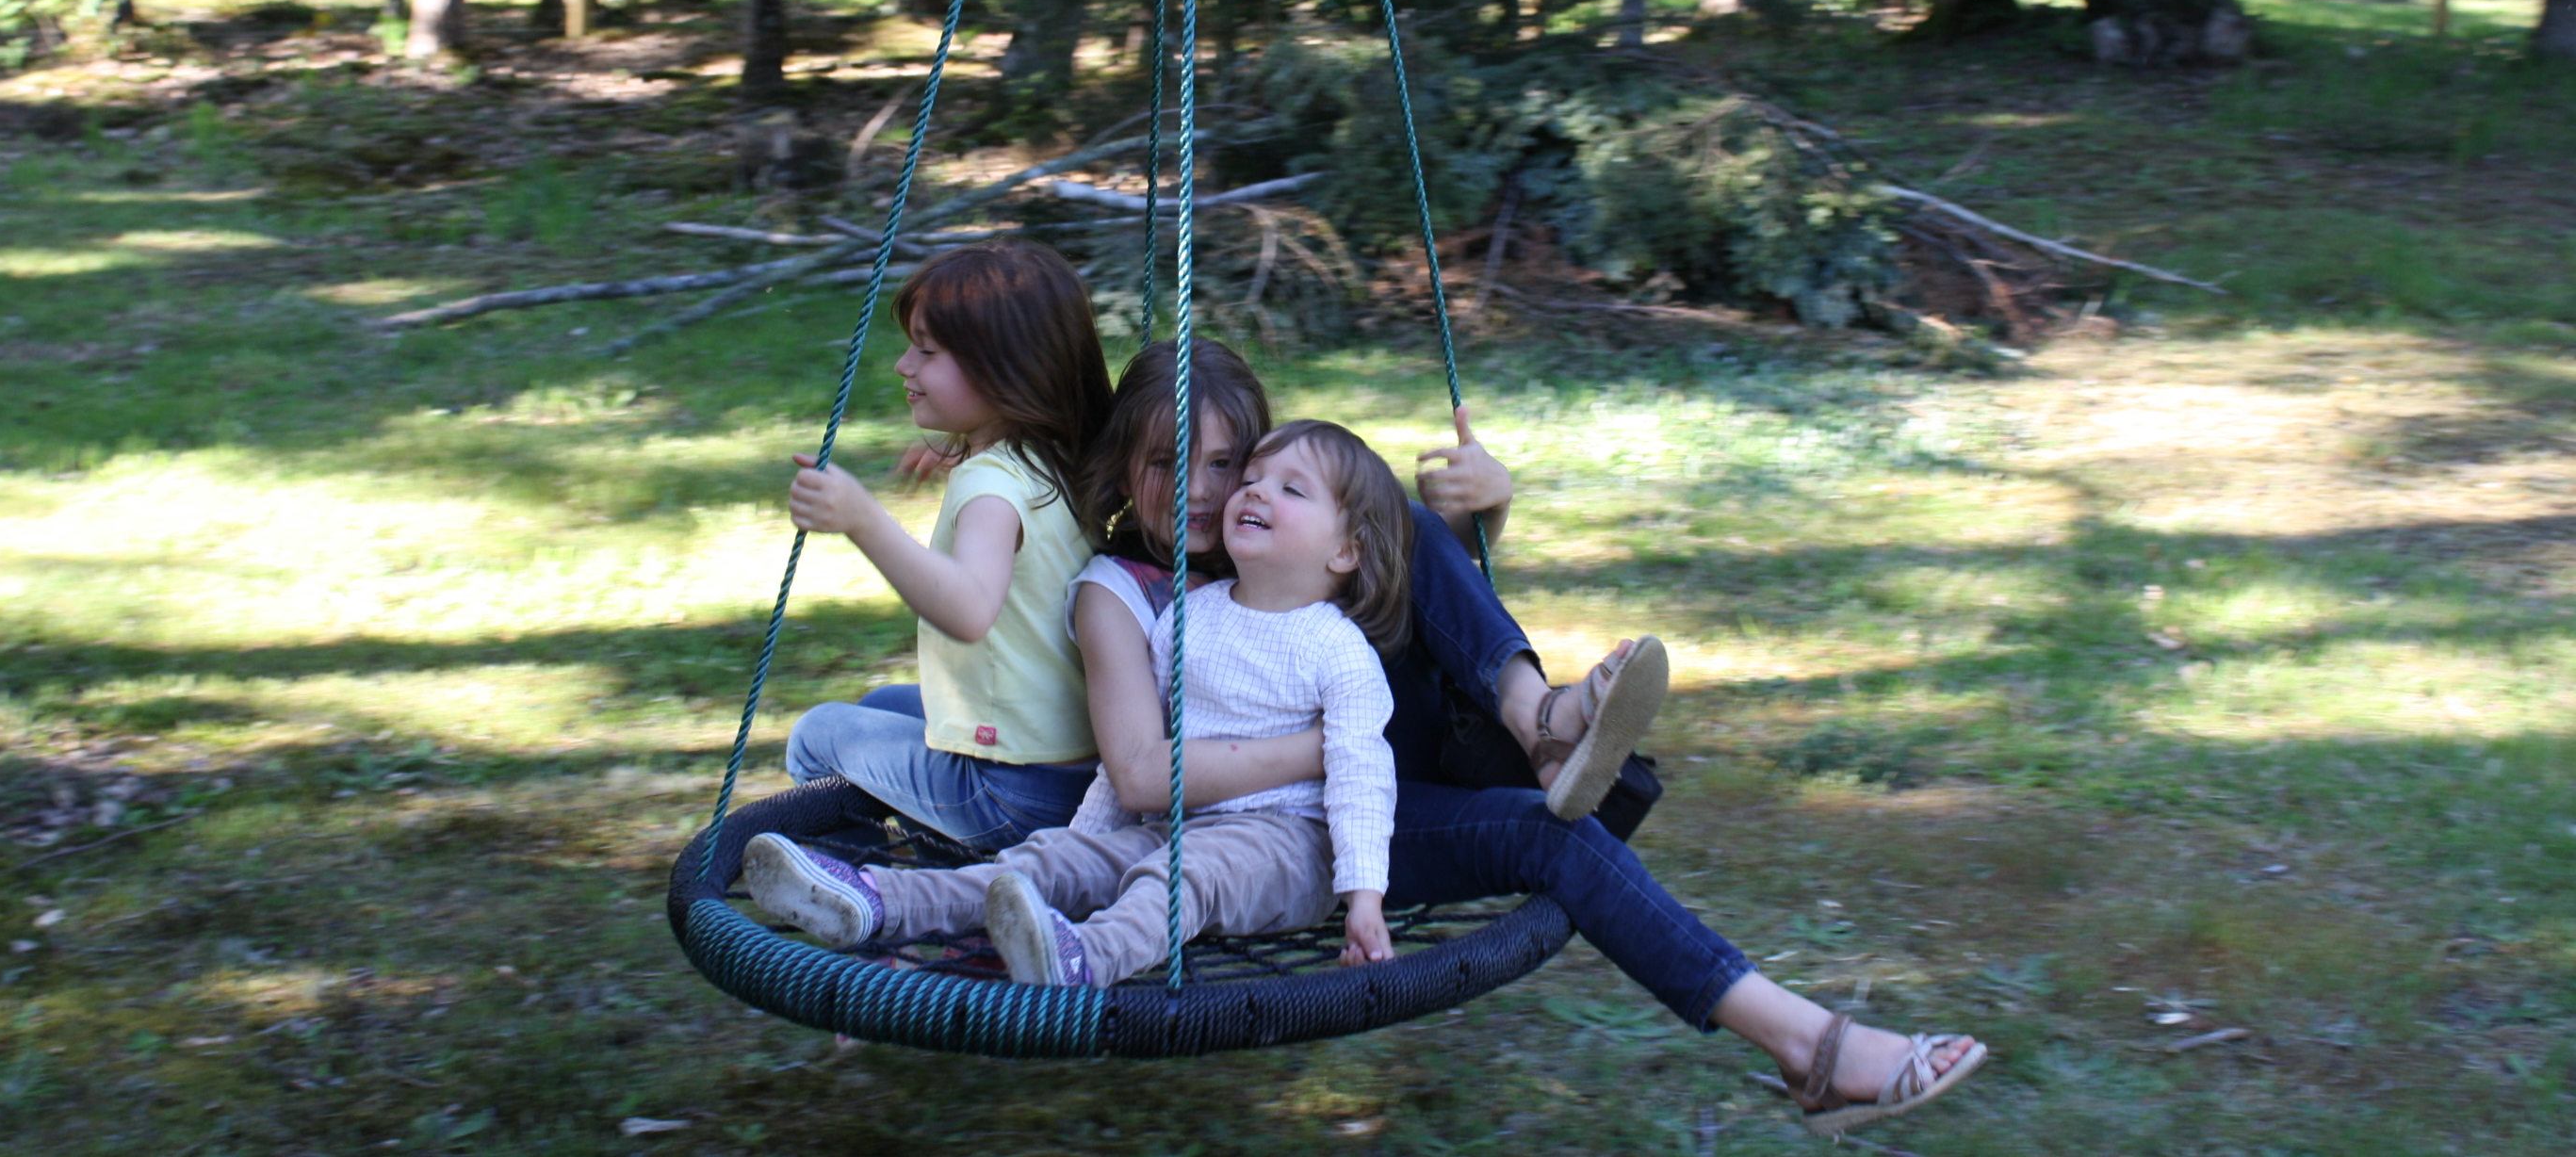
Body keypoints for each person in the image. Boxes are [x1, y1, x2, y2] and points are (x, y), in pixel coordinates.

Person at [1073, 338, 1986, 1139]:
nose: (1203, 488)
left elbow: (1392, 595)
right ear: (1122, 467)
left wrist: (1482, 514)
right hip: (1300, 822)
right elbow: (1145, 775)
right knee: (1546, 832)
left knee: (1404, 517)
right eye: (1165, 461)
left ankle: (1536, 715)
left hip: (1381, 768)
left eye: (1232, 462)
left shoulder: (1269, 547)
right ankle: (1805, 1041)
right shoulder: (1130, 591)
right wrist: (1340, 747)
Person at [742, 420, 1414, 986]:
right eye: (1253, 479)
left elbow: (1362, 778)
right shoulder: (1189, 618)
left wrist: (1364, 899)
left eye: (1290, 489)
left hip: (1289, 850)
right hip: (1176, 830)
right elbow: (1129, 758)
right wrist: (1081, 848)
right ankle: (881, 901)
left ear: (1347, 550)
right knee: (1043, 863)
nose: (1253, 491)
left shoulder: (1339, 651)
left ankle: (1086, 959)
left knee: (1175, 877)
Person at [774, 239, 1114, 852]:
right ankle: (926, 865)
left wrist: (863, 520)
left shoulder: (991, 486)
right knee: (883, 704)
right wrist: (960, 443)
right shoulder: (1058, 455)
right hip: (1075, 772)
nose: (905, 365)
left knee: (818, 733)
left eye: (927, 351)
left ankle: (857, 895)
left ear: (1003, 369)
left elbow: (969, 608)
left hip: (1009, 795)